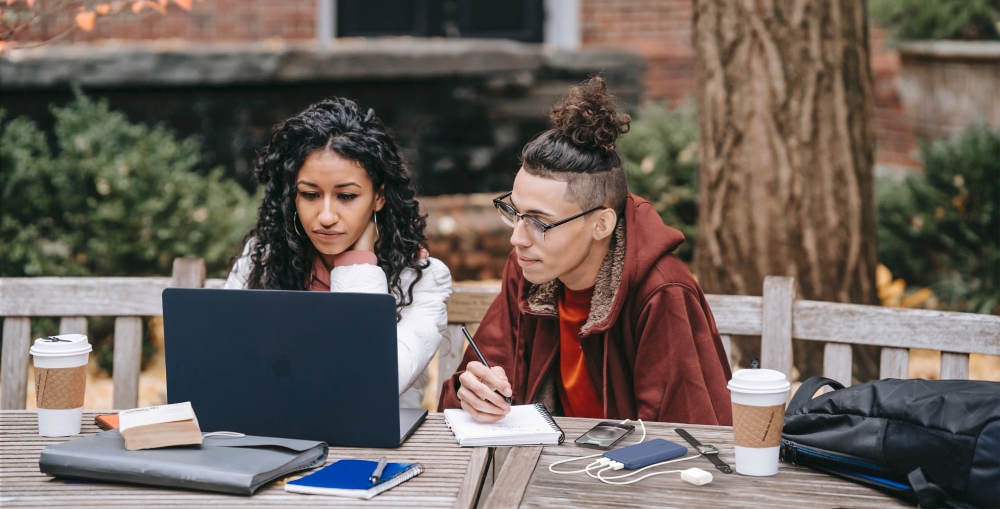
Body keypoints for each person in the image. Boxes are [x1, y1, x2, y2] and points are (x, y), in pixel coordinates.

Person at [438, 76, 732, 425]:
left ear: (601, 225)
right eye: (514, 213)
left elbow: (686, 434)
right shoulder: (530, 268)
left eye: (539, 222)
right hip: (547, 465)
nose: (517, 238)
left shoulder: (662, 292)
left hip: (624, 474)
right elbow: (480, 380)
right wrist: (470, 391)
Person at [225, 97, 452, 409]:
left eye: (346, 196)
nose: (327, 215)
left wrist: (358, 263)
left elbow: (371, 383)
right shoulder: (262, 258)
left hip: (370, 448)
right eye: (309, 195)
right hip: (272, 437)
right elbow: (228, 364)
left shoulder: (422, 278)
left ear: (379, 197)